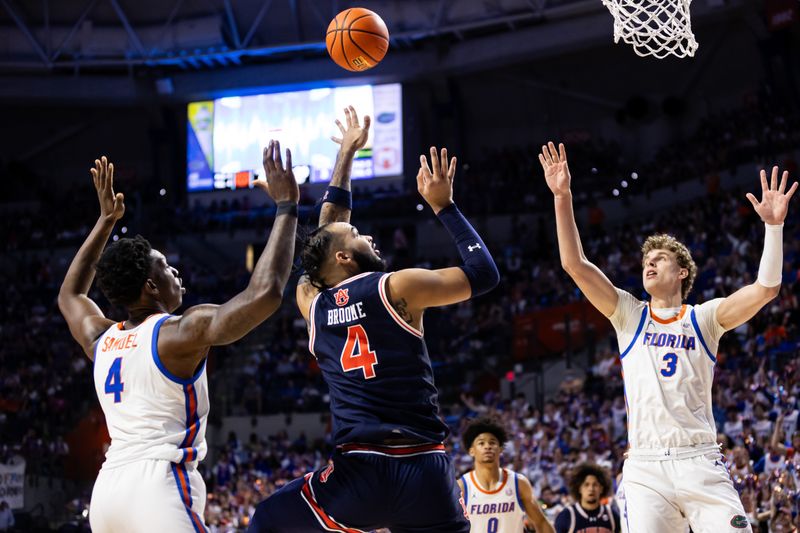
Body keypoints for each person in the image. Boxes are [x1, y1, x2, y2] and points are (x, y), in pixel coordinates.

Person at [248, 106, 499, 532]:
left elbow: (329, 232)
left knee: (268, 519)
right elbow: (484, 274)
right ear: (345, 257)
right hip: (423, 469)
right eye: (359, 235)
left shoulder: (311, 301)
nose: (367, 234)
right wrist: (446, 207)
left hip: (358, 476)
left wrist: (342, 157)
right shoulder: (397, 287)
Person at [539, 141, 797, 532]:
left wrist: (773, 228)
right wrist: (562, 196)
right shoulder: (629, 314)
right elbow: (574, 264)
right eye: (646, 260)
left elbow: (766, 288)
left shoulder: (704, 318)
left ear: (682, 273)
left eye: (659, 259)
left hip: (700, 461)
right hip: (646, 467)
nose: (650, 263)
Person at [58, 146, 299, 532]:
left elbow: (70, 296)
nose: (177, 273)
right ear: (152, 286)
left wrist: (105, 222)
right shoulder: (178, 333)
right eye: (167, 267)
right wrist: (287, 206)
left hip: (107, 493)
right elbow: (266, 294)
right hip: (157, 487)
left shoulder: (101, 338)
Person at [458, 417, 554, 533]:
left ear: (501, 449)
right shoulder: (462, 487)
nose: (487, 446)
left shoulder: (518, 483)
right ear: (471, 451)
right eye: (481, 443)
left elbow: (541, 522)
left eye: (492, 442)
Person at [554, 464, 620, 533]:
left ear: (601, 489)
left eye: (595, 485)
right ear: (579, 488)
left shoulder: (612, 515)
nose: (591, 489)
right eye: (586, 485)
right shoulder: (566, 516)